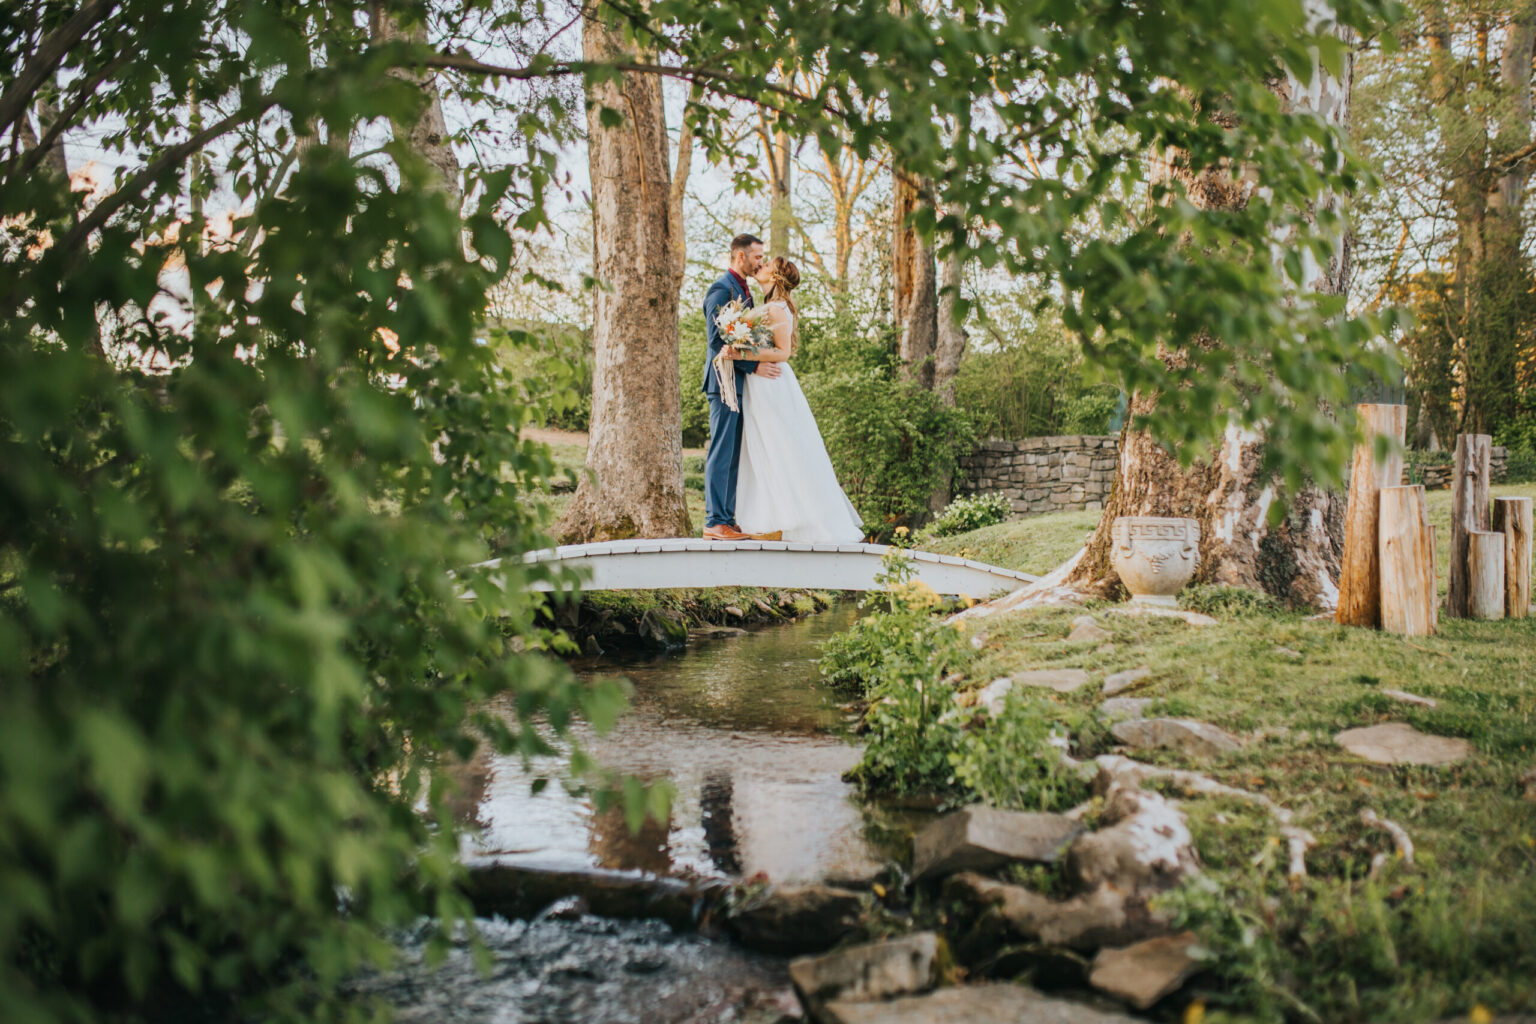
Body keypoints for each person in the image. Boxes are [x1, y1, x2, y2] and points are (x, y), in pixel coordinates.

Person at [732, 256, 865, 544]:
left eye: (767, 264)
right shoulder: (766, 305)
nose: (761, 266)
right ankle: (765, 517)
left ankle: (792, 518)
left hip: (772, 384)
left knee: (778, 444)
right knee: (761, 445)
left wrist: (742, 355)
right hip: (759, 381)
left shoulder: (778, 309)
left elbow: (783, 352)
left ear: (776, 277)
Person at [701, 234, 782, 541]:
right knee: (722, 452)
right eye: (758, 257)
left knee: (734, 454)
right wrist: (754, 364)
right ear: (740, 257)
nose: (762, 262)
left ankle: (727, 518)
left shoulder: (743, 290)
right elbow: (717, 341)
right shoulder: (721, 289)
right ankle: (714, 520)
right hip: (723, 382)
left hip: (739, 386)